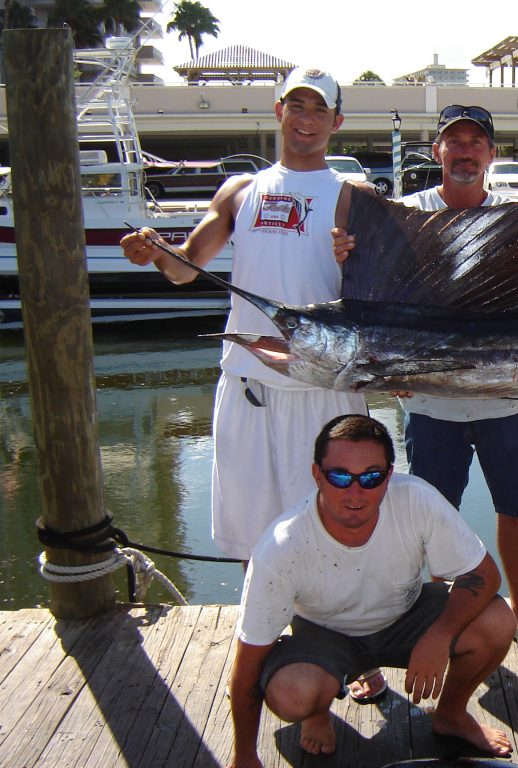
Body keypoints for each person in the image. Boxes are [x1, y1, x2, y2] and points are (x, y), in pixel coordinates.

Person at [120, 66, 383, 702]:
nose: (306, 118)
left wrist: (357, 256)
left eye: (319, 109)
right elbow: (189, 268)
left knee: (341, 524)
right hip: (248, 385)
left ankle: (354, 651)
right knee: (256, 533)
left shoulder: (355, 192)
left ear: (336, 123)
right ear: (278, 110)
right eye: (296, 104)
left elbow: (380, 292)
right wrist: (156, 253)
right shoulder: (241, 189)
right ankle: (264, 645)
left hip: (326, 387)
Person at [335, 104, 518, 662]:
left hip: (505, 398)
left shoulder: (516, 218)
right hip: (431, 404)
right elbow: (350, 209)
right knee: (430, 514)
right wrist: (344, 243)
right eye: (454, 142)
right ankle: (438, 615)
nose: (465, 152)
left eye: (476, 142)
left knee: (517, 510)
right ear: (438, 151)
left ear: (490, 154)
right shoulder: (407, 215)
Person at [227, 414, 516, 767]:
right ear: (317, 474)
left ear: (389, 475)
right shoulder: (281, 548)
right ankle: (316, 713)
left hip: (406, 615)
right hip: (325, 635)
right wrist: (244, 755)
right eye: (339, 477)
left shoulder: (417, 500)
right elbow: (246, 666)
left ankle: (451, 714)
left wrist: (440, 635)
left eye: (370, 477)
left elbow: (484, 573)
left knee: (499, 621)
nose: (355, 492)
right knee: (292, 694)